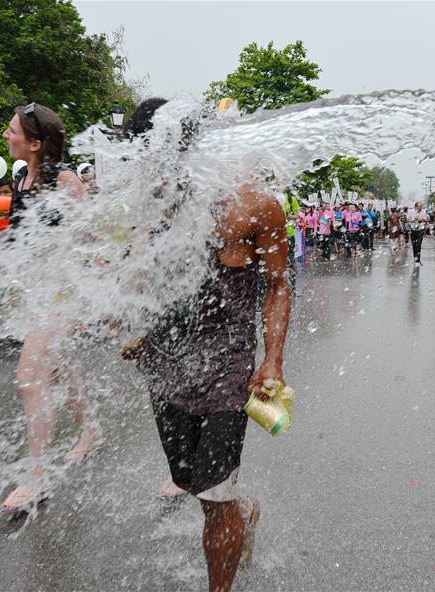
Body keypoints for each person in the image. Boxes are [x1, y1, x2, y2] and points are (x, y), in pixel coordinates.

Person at [131, 179, 291, 590]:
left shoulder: (256, 203)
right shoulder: (153, 197)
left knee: (214, 496)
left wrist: (272, 359)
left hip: (227, 368)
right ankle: (244, 510)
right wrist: (133, 326)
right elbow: (140, 275)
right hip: (165, 362)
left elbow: (277, 285)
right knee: (186, 480)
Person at [0, 102, 104, 514]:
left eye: (12, 131)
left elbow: (92, 237)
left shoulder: (64, 180)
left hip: (62, 294)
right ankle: (91, 430)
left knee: (29, 378)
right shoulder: (21, 179)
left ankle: (37, 477)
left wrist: (98, 292)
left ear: (36, 143)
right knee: (58, 368)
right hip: (36, 292)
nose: (6, 135)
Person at [406, 201, 429, 266]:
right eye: (419, 207)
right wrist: (413, 220)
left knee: (419, 244)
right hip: (413, 230)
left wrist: (421, 219)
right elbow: (407, 220)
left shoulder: (424, 211)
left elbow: (426, 220)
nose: (421, 208)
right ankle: (415, 259)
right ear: (415, 207)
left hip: (420, 230)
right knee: (414, 245)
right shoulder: (411, 212)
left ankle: (418, 260)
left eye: (421, 206)